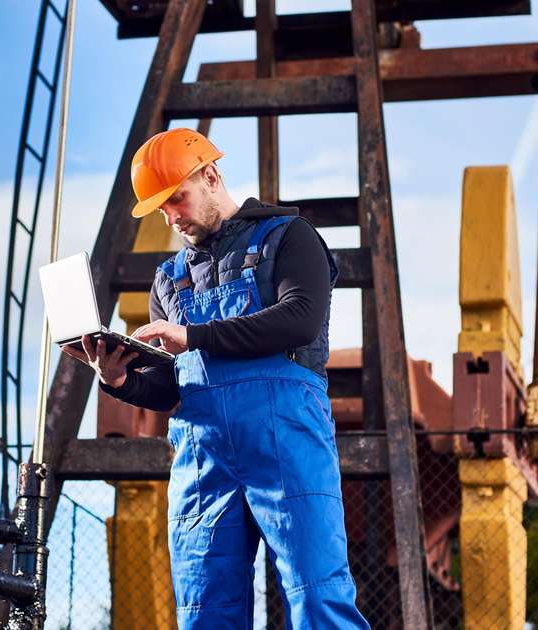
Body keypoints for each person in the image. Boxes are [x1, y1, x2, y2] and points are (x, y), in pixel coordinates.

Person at [63, 128, 370, 630]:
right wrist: (120, 381)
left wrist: (195, 335)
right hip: (203, 463)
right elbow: (172, 385)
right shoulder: (169, 280)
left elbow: (300, 319)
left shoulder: (289, 237)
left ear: (210, 176)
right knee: (205, 611)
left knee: (319, 598)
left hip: (287, 443)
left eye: (176, 199)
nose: (172, 217)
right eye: (160, 209)